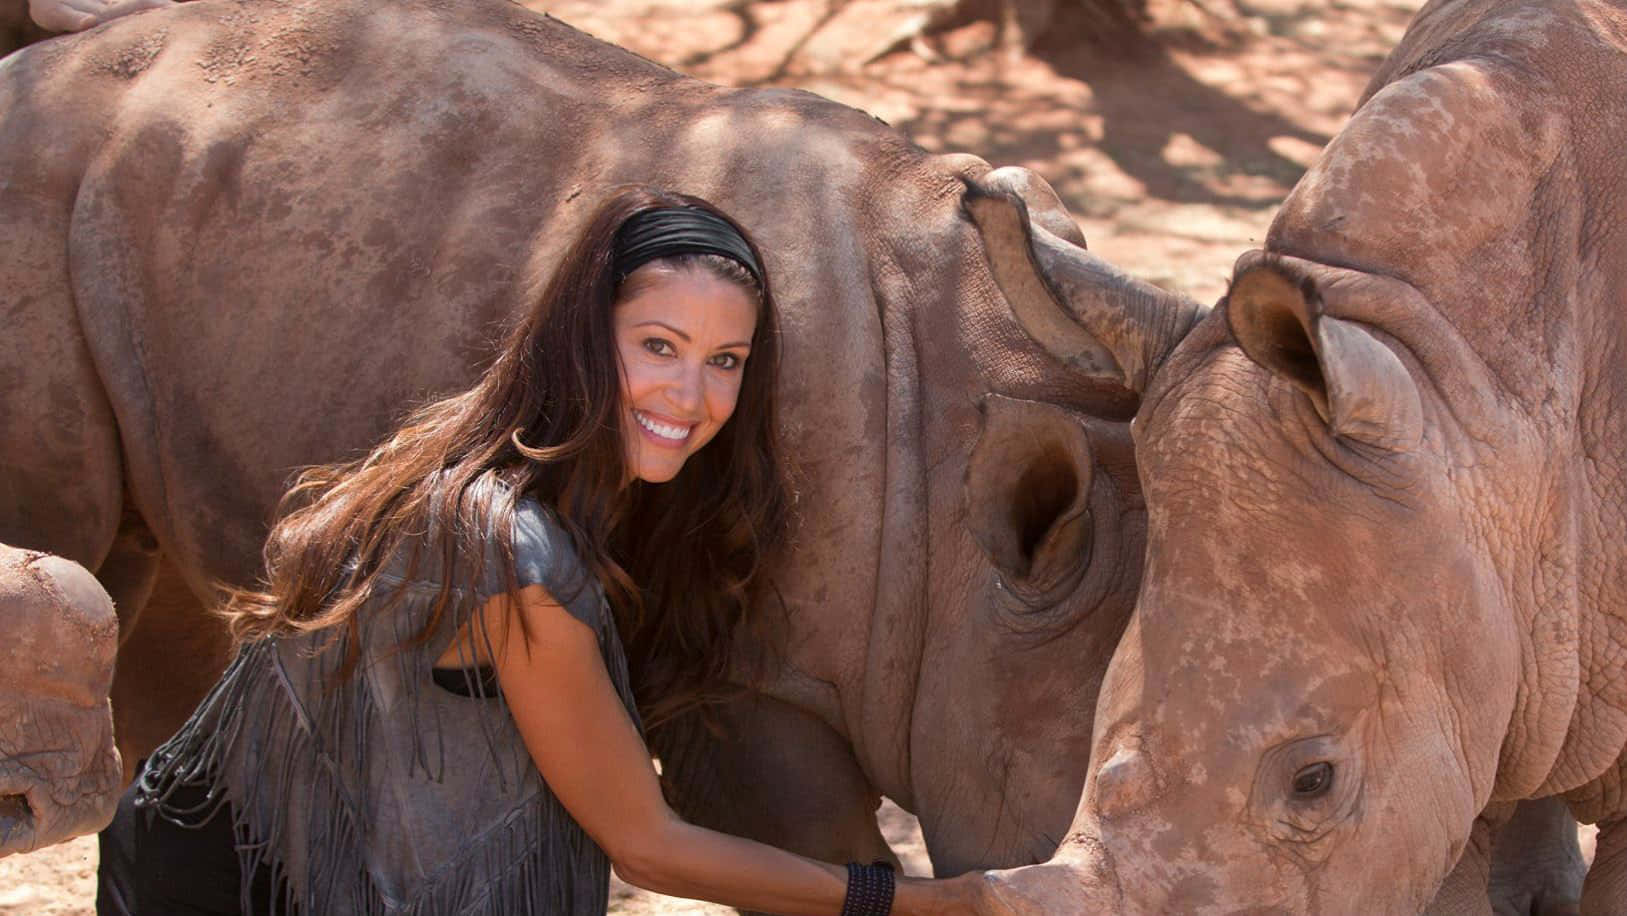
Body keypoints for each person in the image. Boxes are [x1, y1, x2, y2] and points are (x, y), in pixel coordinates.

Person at [95, 187, 991, 916]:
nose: (691, 393)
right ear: (581, 338)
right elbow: (646, 845)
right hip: (227, 884)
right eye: (657, 346)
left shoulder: (560, 484)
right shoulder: (503, 551)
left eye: (725, 360)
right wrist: (923, 903)